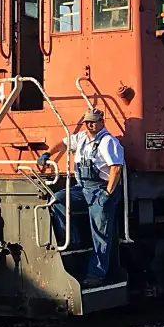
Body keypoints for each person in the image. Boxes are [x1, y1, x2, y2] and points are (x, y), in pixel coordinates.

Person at [37, 108, 125, 288]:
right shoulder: (81, 138)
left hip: (101, 189)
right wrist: (47, 155)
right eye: (87, 122)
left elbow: (116, 168)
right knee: (59, 199)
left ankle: (97, 274)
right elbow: (62, 144)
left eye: (93, 121)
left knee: (100, 233)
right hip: (82, 188)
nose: (89, 125)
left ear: (102, 121)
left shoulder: (108, 142)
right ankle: (73, 239)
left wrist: (107, 194)